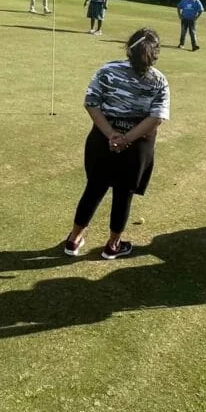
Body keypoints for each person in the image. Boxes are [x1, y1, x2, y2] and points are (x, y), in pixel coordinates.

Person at [63, 28, 170, 261]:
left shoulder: (107, 70)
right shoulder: (159, 80)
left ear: (128, 48)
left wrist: (111, 134)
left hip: (102, 139)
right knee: (124, 194)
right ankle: (112, 246)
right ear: (155, 53)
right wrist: (126, 139)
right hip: (137, 145)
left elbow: (91, 103)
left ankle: (74, 239)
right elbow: (156, 117)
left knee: (94, 188)